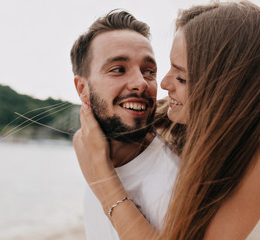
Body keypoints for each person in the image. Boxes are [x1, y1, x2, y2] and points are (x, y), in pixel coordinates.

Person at [74, 1, 260, 239]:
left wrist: (102, 175)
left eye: (181, 78)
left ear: (223, 88)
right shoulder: (171, 126)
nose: (164, 84)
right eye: (168, 69)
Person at [70, 11, 180, 239]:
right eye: (118, 69)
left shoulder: (173, 183)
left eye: (149, 71)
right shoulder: (89, 149)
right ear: (82, 89)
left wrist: (99, 166)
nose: (141, 83)